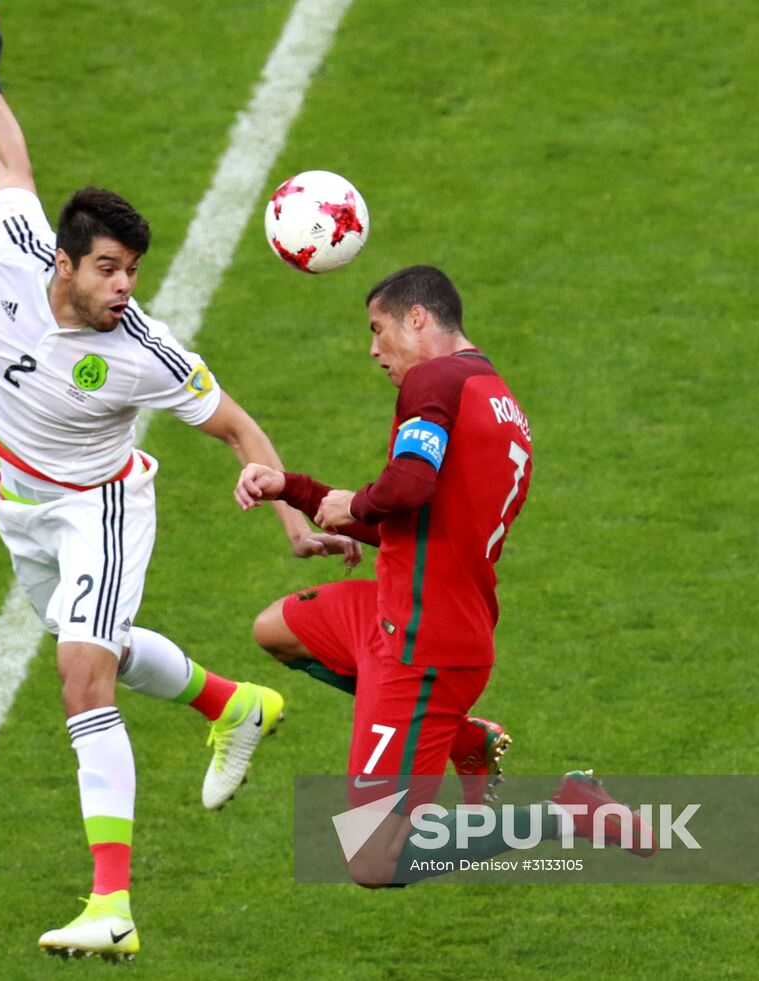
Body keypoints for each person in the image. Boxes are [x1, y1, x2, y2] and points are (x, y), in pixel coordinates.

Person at [0, 8, 358, 959]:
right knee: (105, 647)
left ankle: (112, 904)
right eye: (106, 268)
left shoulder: (143, 352)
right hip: (20, 500)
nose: (123, 286)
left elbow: (235, 425)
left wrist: (292, 516)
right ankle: (234, 704)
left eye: (132, 270)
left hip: (100, 506)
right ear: (63, 260)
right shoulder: (15, 250)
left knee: (80, 674)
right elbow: (13, 169)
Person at [238, 265, 653, 886]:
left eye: (378, 331)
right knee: (276, 629)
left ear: (418, 318)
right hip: (403, 611)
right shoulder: (496, 399)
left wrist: (358, 503)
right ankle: (463, 737)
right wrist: (296, 489)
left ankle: (568, 812)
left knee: (374, 861)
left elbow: (407, 486)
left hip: (422, 646)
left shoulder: (434, 378)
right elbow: (415, 520)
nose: (373, 350)